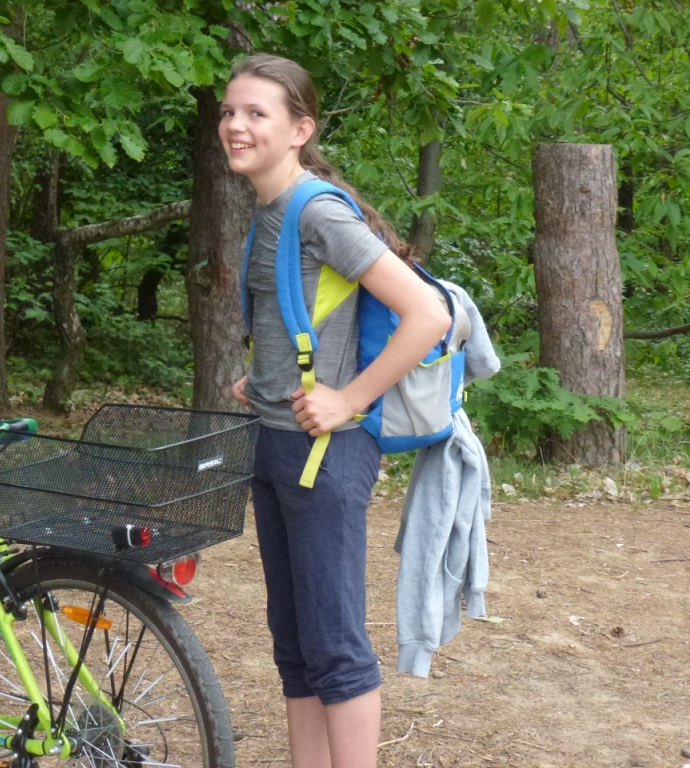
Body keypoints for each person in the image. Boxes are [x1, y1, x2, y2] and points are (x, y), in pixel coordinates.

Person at [219, 53, 452, 768]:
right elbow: (308, 320)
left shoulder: (316, 211)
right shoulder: (271, 210)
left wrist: (350, 398)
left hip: (327, 452)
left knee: (334, 644)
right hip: (276, 441)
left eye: (256, 113)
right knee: (295, 643)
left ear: (300, 129)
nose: (235, 125)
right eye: (228, 111)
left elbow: (429, 315)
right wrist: (260, 381)